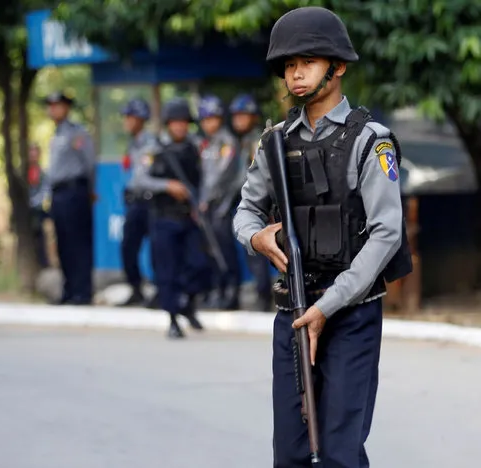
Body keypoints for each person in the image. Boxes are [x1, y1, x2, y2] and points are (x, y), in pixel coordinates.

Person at [233, 7, 412, 467]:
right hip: (292, 312)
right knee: (290, 454)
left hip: (350, 314)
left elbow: (386, 232)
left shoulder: (372, 142)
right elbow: (246, 212)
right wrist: (257, 239)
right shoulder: (273, 141)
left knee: (339, 452)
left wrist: (327, 307)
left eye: (307, 62)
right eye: (288, 65)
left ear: (338, 66)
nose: (295, 74)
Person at [134, 98, 210, 339]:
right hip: (163, 218)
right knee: (167, 271)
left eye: (184, 122)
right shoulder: (153, 149)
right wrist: (168, 186)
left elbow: (207, 177)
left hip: (190, 217)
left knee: (199, 264)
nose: (180, 127)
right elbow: (139, 179)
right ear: (168, 124)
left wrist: (202, 202)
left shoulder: (197, 147)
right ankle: (173, 319)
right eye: (175, 122)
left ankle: (188, 303)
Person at [44, 91, 96, 305]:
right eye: (51, 106)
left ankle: (83, 291)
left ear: (66, 108)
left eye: (58, 105)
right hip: (59, 194)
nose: (53, 109)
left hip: (76, 191)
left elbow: (89, 164)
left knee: (79, 243)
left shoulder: (77, 134)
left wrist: (89, 191)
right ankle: (68, 290)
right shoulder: (55, 136)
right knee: (63, 243)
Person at [196, 95, 242, 310]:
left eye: (212, 118)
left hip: (223, 204)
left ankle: (232, 291)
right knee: (210, 249)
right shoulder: (206, 144)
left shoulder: (227, 142)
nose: (209, 123)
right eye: (205, 119)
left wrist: (205, 199)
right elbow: (202, 176)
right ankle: (218, 289)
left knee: (224, 249)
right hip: (207, 205)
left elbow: (222, 176)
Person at [229, 94, 274, 311]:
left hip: (258, 201)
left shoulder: (258, 140)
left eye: (243, 115)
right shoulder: (239, 141)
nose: (239, 120)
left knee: (257, 247)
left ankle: (263, 296)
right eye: (236, 116)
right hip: (241, 198)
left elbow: (254, 175)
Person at [118, 98, 157, 306]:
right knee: (128, 247)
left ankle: (159, 291)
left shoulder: (149, 143)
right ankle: (136, 288)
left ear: (140, 119)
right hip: (134, 202)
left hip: (148, 202)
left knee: (156, 249)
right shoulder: (132, 143)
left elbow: (144, 175)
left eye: (130, 117)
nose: (126, 121)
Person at [27, 143, 50, 269]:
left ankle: (43, 265)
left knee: (40, 237)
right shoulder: (22, 172)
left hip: (37, 210)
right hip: (25, 213)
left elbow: (45, 191)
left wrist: (34, 202)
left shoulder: (42, 173)